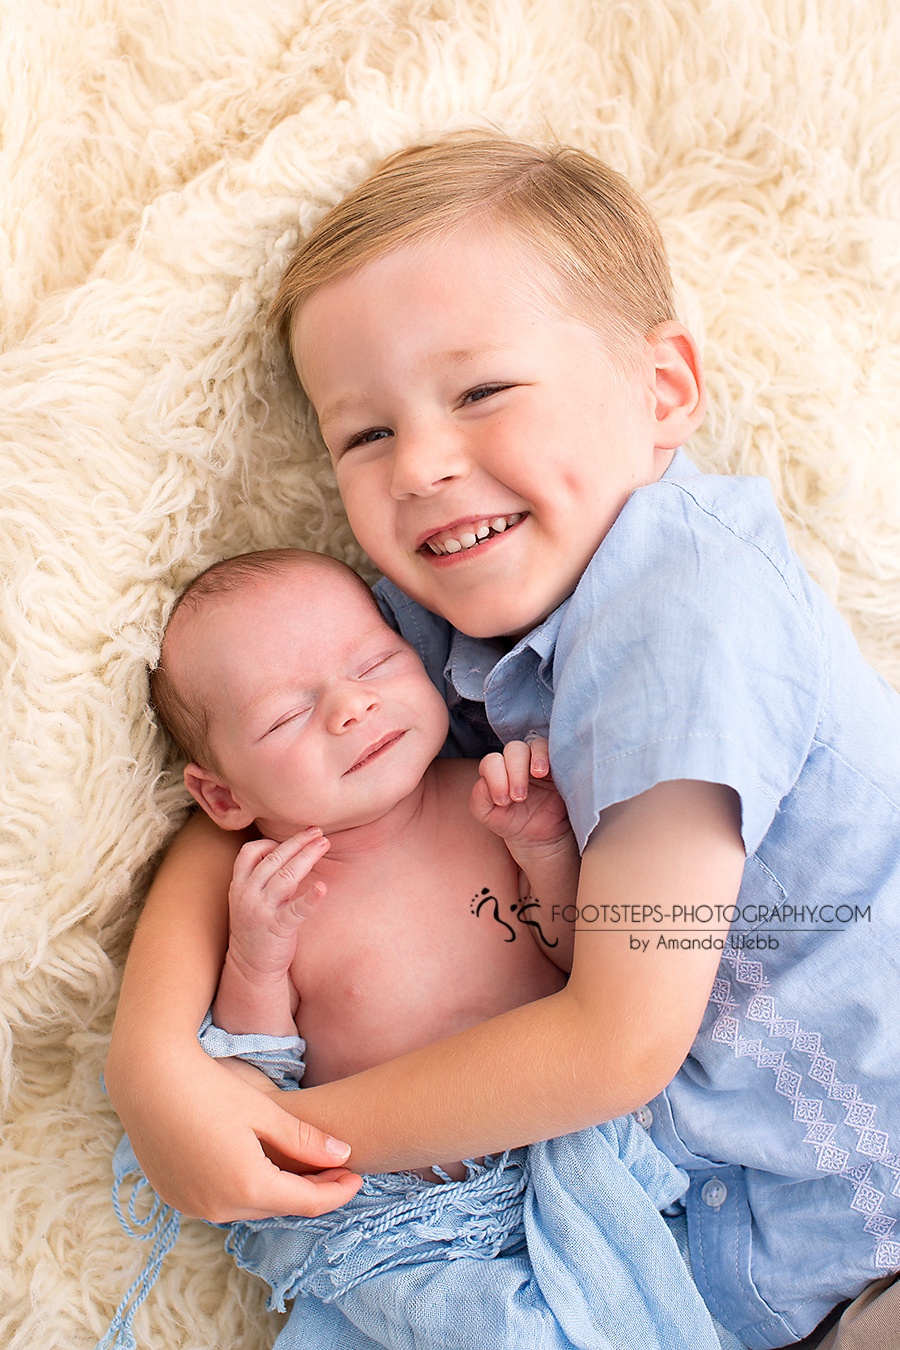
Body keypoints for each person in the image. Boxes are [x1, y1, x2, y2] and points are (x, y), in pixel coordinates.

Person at [104, 136, 900, 1349]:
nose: (421, 464)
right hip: (703, 1246)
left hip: (857, 1207)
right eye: (363, 436)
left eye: (480, 393)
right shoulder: (449, 615)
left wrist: (289, 1140)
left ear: (664, 392)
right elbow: (268, 803)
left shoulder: (681, 613)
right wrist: (155, 1063)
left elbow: (616, 1041)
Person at [102, 545, 730, 1350]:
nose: (351, 707)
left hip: (570, 1161)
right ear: (222, 795)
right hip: (405, 1229)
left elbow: (586, 966)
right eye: (287, 715)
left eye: (374, 661)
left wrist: (543, 855)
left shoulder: (488, 800)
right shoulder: (270, 897)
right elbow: (251, 1081)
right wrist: (258, 956)